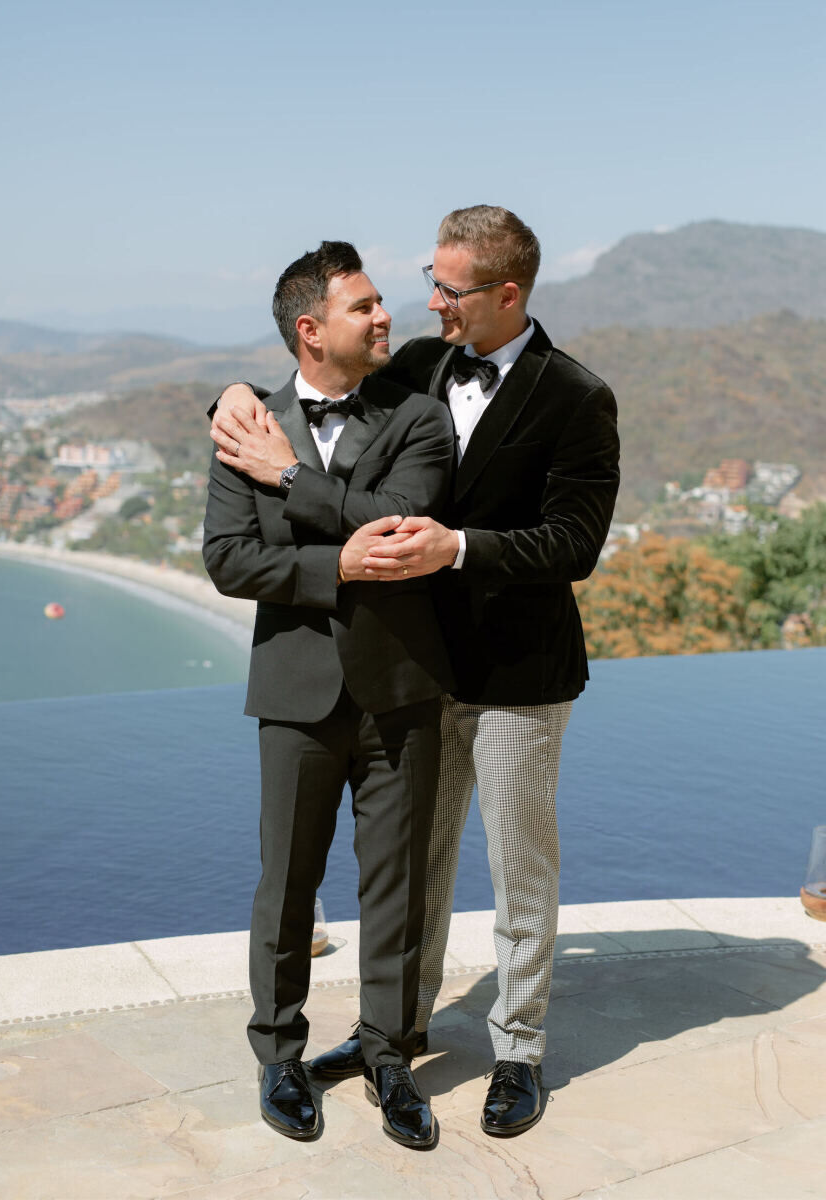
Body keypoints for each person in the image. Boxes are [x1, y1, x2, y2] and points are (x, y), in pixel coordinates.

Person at [211, 206, 620, 1138]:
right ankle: (391, 1031)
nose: (427, 301)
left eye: (448, 288)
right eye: (425, 283)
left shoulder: (576, 397)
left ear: (505, 295)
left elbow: (575, 543)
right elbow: (308, 380)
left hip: (518, 669)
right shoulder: (423, 364)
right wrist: (232, 392)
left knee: (520, 871)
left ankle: (518, 1049)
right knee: (414, 874)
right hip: (415, 674)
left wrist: (461, 546)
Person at [203, 240, 455, 1149]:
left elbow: (403, 522)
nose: (387, 316)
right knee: (287, 888)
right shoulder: (245, 422)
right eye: (365, 307)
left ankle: (391, 1058)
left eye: (384, 301)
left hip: (402, 693)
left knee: (395, 886)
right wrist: (335, 563)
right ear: (310, 331)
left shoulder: (420, 418)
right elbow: (229, 560)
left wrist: (289, 479)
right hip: (295, 694)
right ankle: (278, 1056)